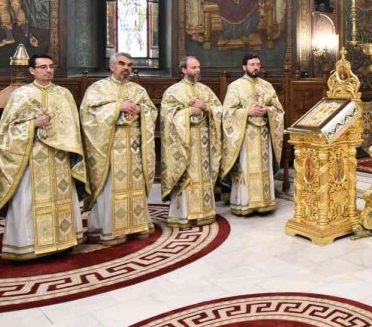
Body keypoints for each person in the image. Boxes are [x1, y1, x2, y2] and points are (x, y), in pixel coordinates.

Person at [0, 54, 89, 260]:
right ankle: (30, 246)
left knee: (62, 200)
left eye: (50, 66)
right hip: (31, 159)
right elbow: (5, 133)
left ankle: (64, 241)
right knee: (30, 203)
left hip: (60, 159)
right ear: (31, 71)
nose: (48, 70)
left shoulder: (64, 94)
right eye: (43, 67)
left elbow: (72, 128)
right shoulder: (21, 95)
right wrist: (32, 125)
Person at [79, 53, 157, 245]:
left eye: (129, 65)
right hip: (109, 149)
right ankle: (109, 228)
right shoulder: (98, 89)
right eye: (121, 64)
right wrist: (117, 108)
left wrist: (140, 110)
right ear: (111, 66)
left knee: (135, 185)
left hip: (133, 146)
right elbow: (88, 114)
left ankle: (137, 224)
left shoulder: (137, 89)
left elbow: (151, 111)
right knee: (111, 187)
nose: (126, 68)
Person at [161, 56, 223, 227]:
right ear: (184, 70)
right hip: (184, 144)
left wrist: (207, 108)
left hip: (203, 142)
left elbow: (219, 111)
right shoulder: (173, 91)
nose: (197, 70)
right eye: (194, 67)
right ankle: (183, 215)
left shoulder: (206, 90)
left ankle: (204, 213)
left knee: (203, 175)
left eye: (198, 67)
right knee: (186, 175)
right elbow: (167, 117)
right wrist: (189, 111)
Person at [221, 54, 284, 215]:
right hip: (245, 136)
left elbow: (279, 110)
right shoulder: (235, 87)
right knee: (246, 169)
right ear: (244, 67)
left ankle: (264, 203)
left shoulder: (267, 86)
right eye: (252, 64)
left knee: (263, 169)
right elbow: (227, 113)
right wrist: (247, 111)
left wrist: (268, 110)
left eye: (258, 64)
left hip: (264, 135)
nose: (256, 67)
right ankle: (245, 204)